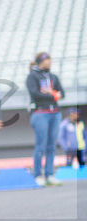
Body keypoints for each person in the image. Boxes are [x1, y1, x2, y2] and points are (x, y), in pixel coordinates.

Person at [26, 52, 64, 187]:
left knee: (52, 146)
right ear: (39, 62)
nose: (49, 61)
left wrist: (51, 93)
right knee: (40, 145)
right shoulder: (32, 76)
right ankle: (37, 174)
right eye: (46, 59)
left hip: (55, 113)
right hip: (40, 113)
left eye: (50, 59)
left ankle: (49, 174)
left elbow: (62, 93)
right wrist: (54, 95)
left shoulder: (54, 77)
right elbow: (35, 94)